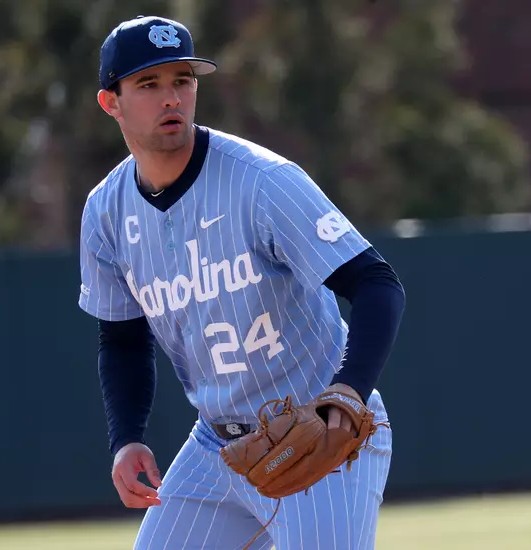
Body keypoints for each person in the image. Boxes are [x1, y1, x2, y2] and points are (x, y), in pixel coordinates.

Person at [77, 14, 406, 550]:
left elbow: (377, 283)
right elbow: (122, 337)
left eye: (183, 80)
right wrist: (127, 439)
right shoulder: (106, 211)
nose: (171, 98)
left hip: (318, 429)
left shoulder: (262, 182)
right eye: (148, 84)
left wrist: (346, 395)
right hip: (216, 446)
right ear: (110, 102)